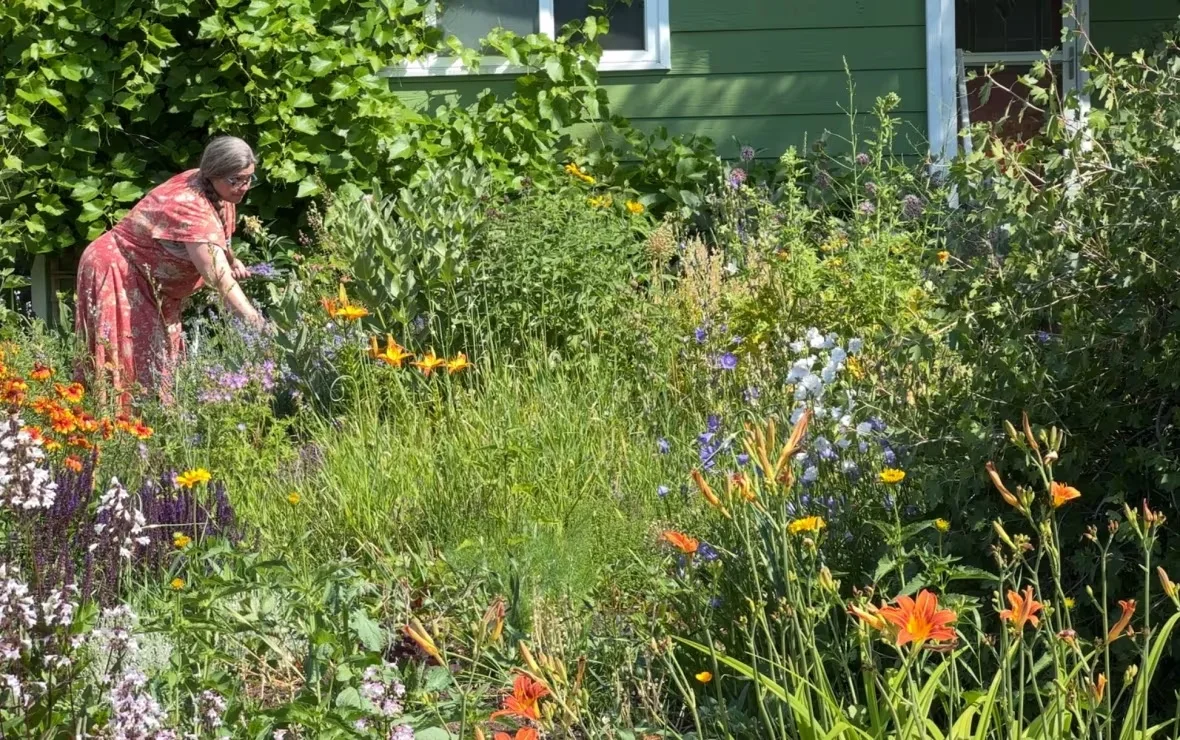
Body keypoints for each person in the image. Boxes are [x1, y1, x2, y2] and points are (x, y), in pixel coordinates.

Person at [75, 136, 266, 405]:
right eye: (237, 180)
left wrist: (232, 259)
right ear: (213, 173)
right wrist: (255, 321)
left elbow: (218, 237)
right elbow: (219, 280)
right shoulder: (190, 204)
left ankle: (152, 432)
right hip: (118, 272)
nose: (244, 187)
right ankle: (115, 434)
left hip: (149, 280)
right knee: (126, 362)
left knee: (158, 362)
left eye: (249, 178)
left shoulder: (216, 189)